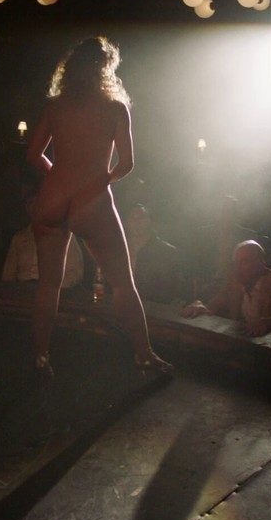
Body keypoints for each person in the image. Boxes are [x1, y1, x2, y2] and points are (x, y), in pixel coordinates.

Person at [25, 36, 172, 379]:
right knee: (122, 283)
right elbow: (127, 164)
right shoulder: (115, 108)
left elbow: (33, 155)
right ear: (106, 69)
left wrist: (58, 176)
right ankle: (144, 354)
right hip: (90, 200)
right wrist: (100, 181)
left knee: (48, 285)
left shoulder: (56, 106)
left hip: (52, 197)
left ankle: (41, 357)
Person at [180, 240, 271, 342]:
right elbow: (215, 304)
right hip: (265, 346)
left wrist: (268, 322)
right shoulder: (236, 281)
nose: (238, 268)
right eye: (236, 262)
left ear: (261, 263)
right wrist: (200, 306)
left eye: (245, 262)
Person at [2, 188, 85, 289]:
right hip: (22, 290)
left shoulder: (62, 235)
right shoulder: (19, 238)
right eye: (29, 203)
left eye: (37, 202)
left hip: (51, 291)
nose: (34, 207)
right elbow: (8, 274)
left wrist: (52, 289)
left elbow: (75, 272)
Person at [124, 203, 189, 305]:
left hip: (154, 309)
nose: (136, 222)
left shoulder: (167, 252)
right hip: (121, 306)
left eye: (141, 218)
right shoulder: (118, 249)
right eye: (132, 218)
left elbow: (173, 290)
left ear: (150, 221)